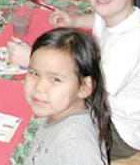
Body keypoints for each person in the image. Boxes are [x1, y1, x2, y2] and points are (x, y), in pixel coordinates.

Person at [9, 0, 140, 159]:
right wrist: (75, 20)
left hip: (122, 132)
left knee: (42, 106)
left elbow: (90, 89)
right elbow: (99, 20)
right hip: (110, 108)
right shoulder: (117, 14)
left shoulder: (132, 43)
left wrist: (35, 63)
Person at [23, 28, 110, 165]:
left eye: (55, 79)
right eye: (34, 73)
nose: (39, 87)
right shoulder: (60, 110)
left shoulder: (74, 143)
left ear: (84, 87)